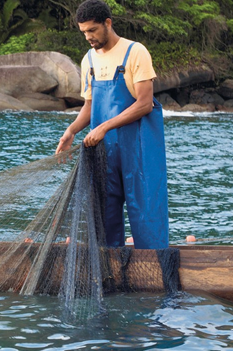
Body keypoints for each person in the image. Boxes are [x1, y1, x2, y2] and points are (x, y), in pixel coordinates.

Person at [56, 0, 169, 249]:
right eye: (84, 32)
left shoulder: (135, 52)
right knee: (105, 217)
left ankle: (153, 273)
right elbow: (89, 106)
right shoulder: (88, 61)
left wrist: (105, 127)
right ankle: (109, 276)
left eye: (92, 30)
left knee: (146, 213)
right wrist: (71, 131)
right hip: (104, 152)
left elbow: (145, 104)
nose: (88, 37)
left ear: (108, 23)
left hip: (139, 148)